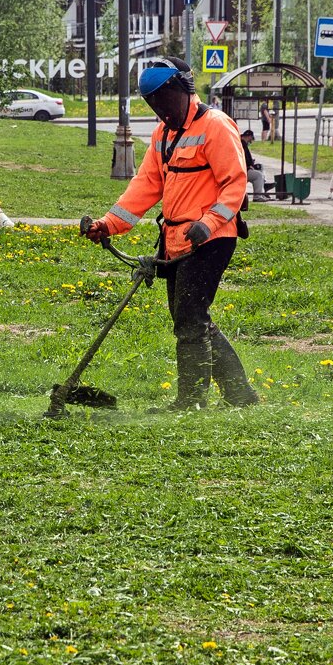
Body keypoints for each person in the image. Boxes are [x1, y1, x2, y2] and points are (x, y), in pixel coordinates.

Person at [81, 56, 258, 411]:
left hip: (211, 239)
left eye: (164, 100)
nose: (160, 110)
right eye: (153, 104)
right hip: (176, 241)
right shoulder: (163, 134)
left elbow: (235, 185)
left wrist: (207, 224)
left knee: (190, 317)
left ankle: (190, 401)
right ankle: (240, 395)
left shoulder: (216, 126)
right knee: (190, 318)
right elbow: (146, 184)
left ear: (183, 89)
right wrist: (109, 224)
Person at [240, 129, 272, 202]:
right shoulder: (241, 144)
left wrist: (252, 164)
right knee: (258, 175)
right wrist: (249, 166)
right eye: (251, 138)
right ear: (249, 136)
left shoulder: (244, 144)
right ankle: (257, 196)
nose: (251, 141)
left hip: (247, 167)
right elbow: (242, 158)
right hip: (243, 170)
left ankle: (262, 192)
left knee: (260, 168)